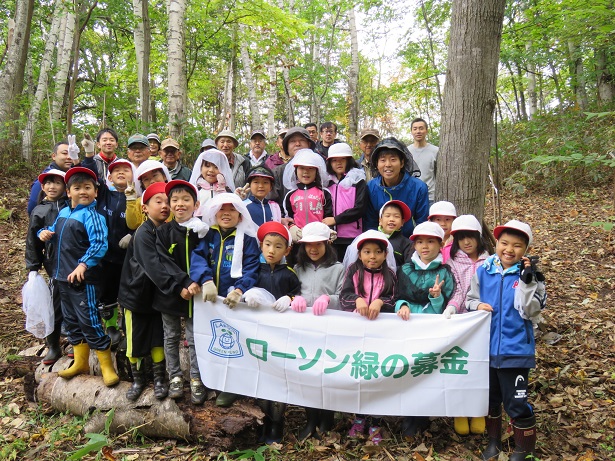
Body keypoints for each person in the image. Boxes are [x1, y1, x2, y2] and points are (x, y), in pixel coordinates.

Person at [466, 220, 546, 461]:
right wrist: (476, 305)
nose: (509, 249)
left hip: (516, 350)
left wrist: (527, 282)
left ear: (525, 249)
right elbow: (470, 300)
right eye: (504, 243)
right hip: (486, 350)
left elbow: (532, 312)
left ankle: (524, 449)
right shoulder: (484, 270)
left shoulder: (533, 276)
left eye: (517, 245)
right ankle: (493, 443)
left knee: (516, 402)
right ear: (496, 243)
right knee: (491, 400)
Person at [38, 167, 119, 387]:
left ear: (95, 191)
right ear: (68, 192)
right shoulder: (65, 212)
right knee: (71, 322)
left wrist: (83, 264)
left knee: (90, 321)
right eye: (77, 188)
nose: (82, 191)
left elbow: (100, 244)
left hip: (85, 281)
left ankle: (107, 366)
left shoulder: (94, 216)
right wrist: (42, 233)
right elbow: (52, 230)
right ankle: (80, 362)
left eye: (87, 187)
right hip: (62, 278)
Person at [190, 193, 261, 407]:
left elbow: (252, 268)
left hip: (233, 301)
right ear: (214, 212)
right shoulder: (207, 235)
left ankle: (231, 387)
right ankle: (208, 380)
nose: (226, 214)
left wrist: (240, 290)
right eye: (222, 209)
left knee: (233, 344)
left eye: (232, 210)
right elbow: (198, 258)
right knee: (210, 340)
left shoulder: (247, 239)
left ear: (240, 215)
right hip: (209, 301)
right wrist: (206, 280)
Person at [147, 180, 206, 404]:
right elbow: (164, 261)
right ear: (170, 205)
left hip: (196, 294)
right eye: (175, 200)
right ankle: (175, 377)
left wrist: (196, 282)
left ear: (196, 204)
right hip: (170, 293)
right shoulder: (162, 231)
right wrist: (182, 283)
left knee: (193, 337)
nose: (180, 204)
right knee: (171, 336)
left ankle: (197, 378)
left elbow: (205, 259)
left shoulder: (201, 230)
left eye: (186, 199)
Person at [396, 221, 455, 437]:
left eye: (430, 242)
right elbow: (397, 296)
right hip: (407, 328)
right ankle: (409, 415)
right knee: (407, 370)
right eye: (420, 242)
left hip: (431, 331)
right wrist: (401, 305)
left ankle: (423, 416)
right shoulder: (404, 270)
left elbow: (447, 306)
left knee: (426, 370)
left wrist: (437, 298)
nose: (425, 246)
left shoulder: (445, 272)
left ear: (440, 245)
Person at [340, 230, 397, 444]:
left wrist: (380, 302)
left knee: (377, 375)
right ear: (360, 254)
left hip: (381, 334)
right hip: (357, 333)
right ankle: (358, 418)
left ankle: (376, 422)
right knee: (360, 374)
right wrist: (357, 300)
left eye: (377, 252)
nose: (372, 256)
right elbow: (344, 296)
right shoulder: (353, 271)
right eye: (367, 252)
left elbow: (393, 298)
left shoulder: (390, 274)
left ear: (385, 254)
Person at [246, 221, 301, 444]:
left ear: (287, 250)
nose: (272, 250)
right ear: (261, 246)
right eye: (267, 245)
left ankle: (277, 423)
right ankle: (264, 421)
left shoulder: (289, 274)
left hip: (281, 337)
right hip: (257, 335)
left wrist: (289, 299)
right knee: (261, 377)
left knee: (279, 378)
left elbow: (299, 296)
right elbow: (241, 289)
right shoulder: (253, 271)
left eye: (278, 246)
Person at [289, 222, 345, 440]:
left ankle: (327, 418)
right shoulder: (297, 268)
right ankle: (310, 418)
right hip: (304, 331)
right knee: (307, 373)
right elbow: (289, 293)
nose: (313, 249)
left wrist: (328, 299)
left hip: (329, 330)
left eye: (318, 244)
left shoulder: (338, 268)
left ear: (327, 244)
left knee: (327, 373)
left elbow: (345, 298)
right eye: (308, 245)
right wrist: (295, 298)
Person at [118, 182, 170, 401]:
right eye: (158, 201)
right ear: (145, 208)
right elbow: (154, 267)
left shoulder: (168, 230)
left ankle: (159, 378)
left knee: (158, 337)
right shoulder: (142, 233)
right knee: (135, 340)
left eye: (167, 202)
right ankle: (138, 379)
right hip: (136, 296)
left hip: (158, 297)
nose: (164, 206)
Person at [441, 215, 491, 436]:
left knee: (480, 366)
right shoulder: (452, 262)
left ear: (479, 238)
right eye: (461, 238)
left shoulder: (490, 261)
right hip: (462, 321)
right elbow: (458, 289)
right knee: (460, 365)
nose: (467, 243)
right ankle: (460, 411)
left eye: (471, 237)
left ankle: (478, 411)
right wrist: (452, 306)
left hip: (484, 321)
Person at [81, 155, 134, 347]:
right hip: (103, 257)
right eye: (116, 170)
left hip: (127, 258)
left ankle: (128, 327)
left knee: (127, 293)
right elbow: (91, 176)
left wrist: (133, 235)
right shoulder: (103, 194)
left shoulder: (135, 198)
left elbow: (143, 222)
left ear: (132, 176)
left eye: (126, 170)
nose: (121, 173)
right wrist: (88, 157)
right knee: (106, 293)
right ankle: (111, 327)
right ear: (109, 177)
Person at [25, 169, 69, 365]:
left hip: (76, 264)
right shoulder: (39, 211)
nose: (52, 187)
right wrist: (33, 267)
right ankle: (53, 345)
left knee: (79, 305)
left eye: (57, 183)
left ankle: (80, 342)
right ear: (42, 187)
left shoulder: (72, 206)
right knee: (54, 306)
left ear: (65, 187)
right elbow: (32, 241)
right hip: (55, 267)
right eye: (48, 183)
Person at [364, 137, 429, 238]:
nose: (388, 164)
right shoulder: (371, 187)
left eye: (393, 160)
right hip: (380, 245)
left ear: (402, 163)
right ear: (377, 164)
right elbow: (370, 223)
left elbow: (422, 223)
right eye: (383, 160)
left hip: (410, 244)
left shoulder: (419, 187)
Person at [322, 143, 366, 261]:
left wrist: (336, 220)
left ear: (349, 160)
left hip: (352, 236)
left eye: (343, 159)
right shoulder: (327, 182)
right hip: (331, 237)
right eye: (334, 160)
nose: (338, 163)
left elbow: (360, 208)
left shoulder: (358, 180)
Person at [282, 149, 333, 244]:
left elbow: (328, 215)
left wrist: (328, 231)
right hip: (298, 238)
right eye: (302, 168)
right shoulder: (291, 195)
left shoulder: (324, 193)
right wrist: (292, 227)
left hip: (318, 238)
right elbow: (288, 216)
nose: (306, 172)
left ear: (316, 171)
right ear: (296, 170)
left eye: (310, 168)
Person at [271, 127, 315, 206]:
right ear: (287, 147)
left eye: (302, 140)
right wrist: (280, 217)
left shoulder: (319, 168)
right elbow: (272, 202)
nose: (297, 144)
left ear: (309, 144)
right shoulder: (278, 172)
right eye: (292, 141)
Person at [28, 140, 74, 215]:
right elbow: (32, 209)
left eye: (72, 154)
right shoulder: (45, 179)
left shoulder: (71, 176)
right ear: (54, 156)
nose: (69, 157)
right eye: (65, 153)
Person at [125, 160, 172, 230]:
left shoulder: (174, 198)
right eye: (146, 179)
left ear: (164, 176)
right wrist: (130, 200)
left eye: (155, 175)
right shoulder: (140, 202)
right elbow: (132, 225)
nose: (152, 181)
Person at [189, 149, 235, 217]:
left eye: (216, 167)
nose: (211, 170)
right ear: (200, 168)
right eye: (207, 166)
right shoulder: (195, 190)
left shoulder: (227, 190)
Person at [408, 118, 438, 206]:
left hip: (430, 198)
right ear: (411, 132)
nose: (418, 131)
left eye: (421, 128)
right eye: (415, 129)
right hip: (411, 197)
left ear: (426, 131)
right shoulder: (406, 151)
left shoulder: (435, 151)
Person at [378, 200, 413, 267]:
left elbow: (408, 267)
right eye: (387, 216)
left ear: (402, 222)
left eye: (396, 216)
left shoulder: (407, 244)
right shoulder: (372, 238)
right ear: (380, 221)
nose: (391, 219)